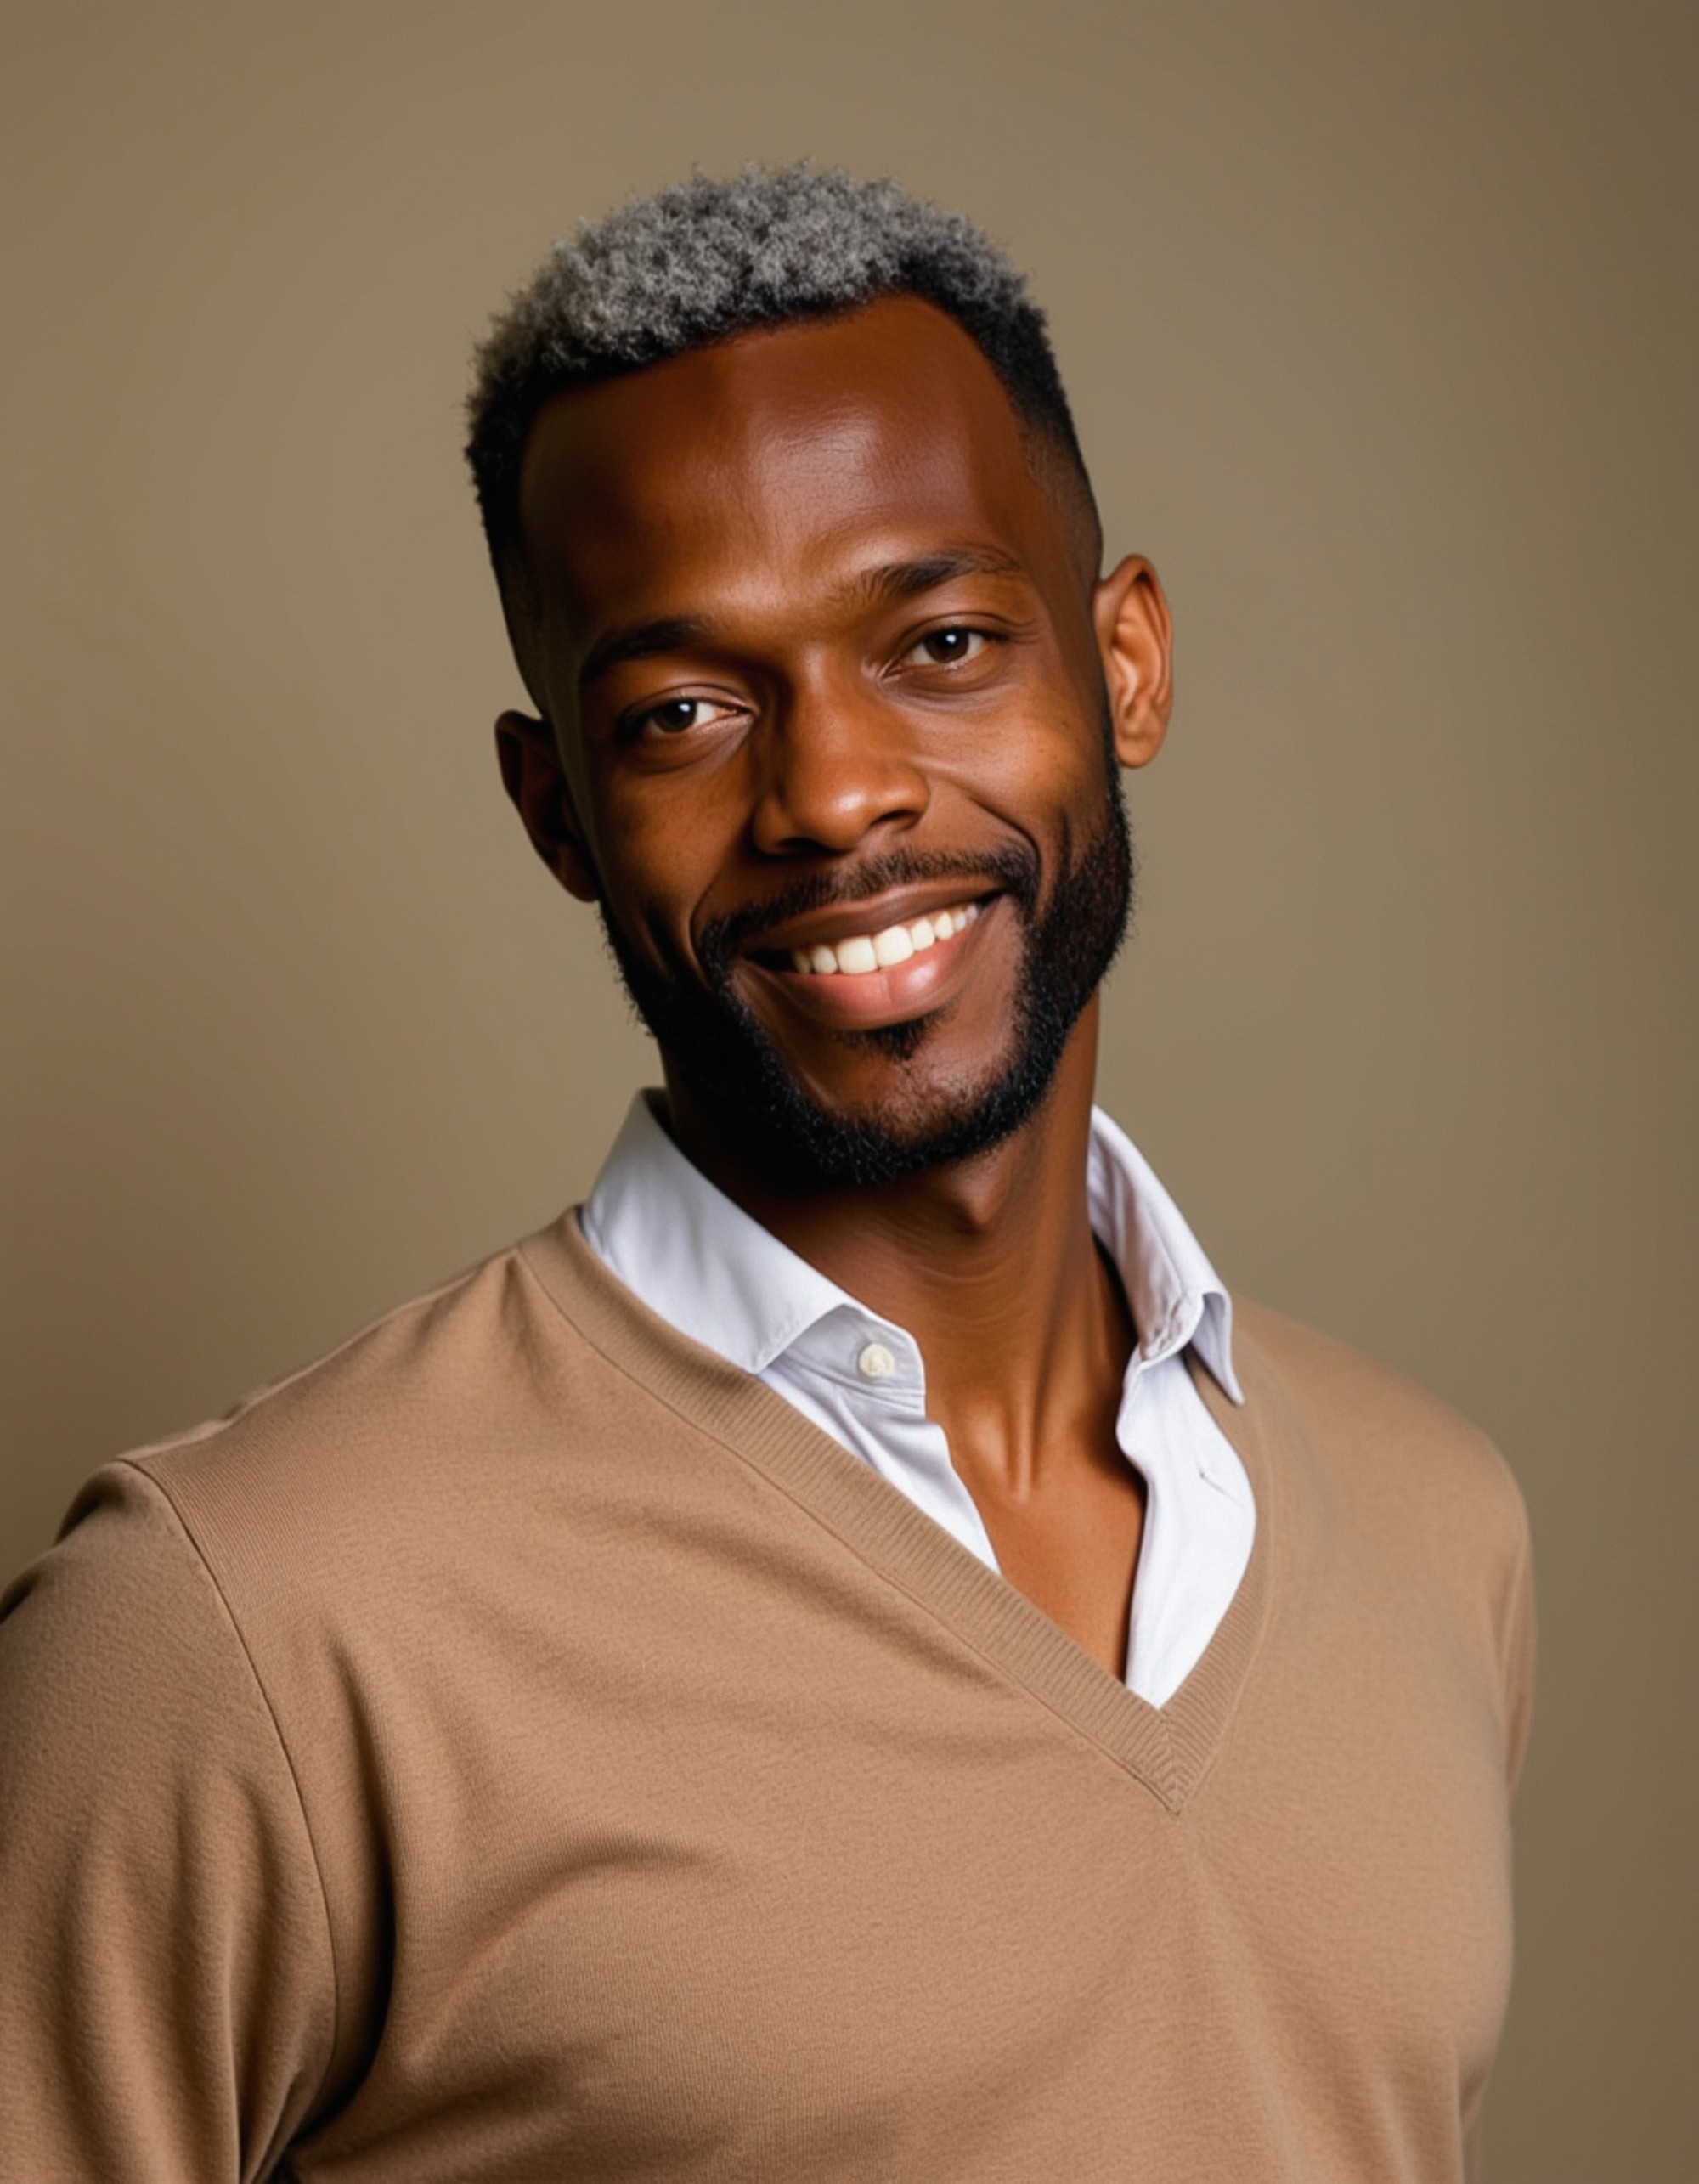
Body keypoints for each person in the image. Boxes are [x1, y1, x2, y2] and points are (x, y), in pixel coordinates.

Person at [0, 166, 1533, 2181]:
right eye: (683, 711)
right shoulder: (238, 1623)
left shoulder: (1432, 1523)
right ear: (557, 810)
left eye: (944, 640)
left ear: (1127, 664)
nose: (831, 791)